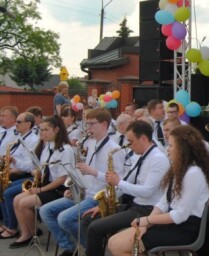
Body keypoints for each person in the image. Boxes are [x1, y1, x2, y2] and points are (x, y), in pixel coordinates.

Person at [107, 126, 209, 255]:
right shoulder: (180, 169)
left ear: (183, 149)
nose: (167, 149)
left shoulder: (194, 173)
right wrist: (145, 224)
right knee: (112, 242)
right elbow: (163, 202)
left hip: (184, 229)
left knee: (118, 247)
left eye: (171, 146)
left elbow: (180, 216)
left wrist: (148, 220)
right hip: (171, 224)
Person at [39, 108, 124, 256]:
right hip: (84, 193)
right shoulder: (90, 144)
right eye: (87, 124)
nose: (88, 128)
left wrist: (92, 171)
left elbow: (119, 183)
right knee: (45, 211)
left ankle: (93, 250)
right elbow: (82, 172)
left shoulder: (114, 149)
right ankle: (71, 247)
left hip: (99, 198)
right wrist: (73, 187)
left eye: (92, 124)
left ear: (104, 125)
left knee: (64, 219)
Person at [81, 120, 170, 256]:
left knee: (95, 228)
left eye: (131, 141)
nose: (129, 145)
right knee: (88, 219)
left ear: (143, 139)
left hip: (147, 210)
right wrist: (104, 203)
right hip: (134, 205)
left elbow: (147, 192)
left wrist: (118, 182)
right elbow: (126, 182)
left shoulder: (158, 159)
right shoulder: (139, 156)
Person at [10, 116, 75, 248]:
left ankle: (33, 233)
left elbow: (62, 178)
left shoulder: (65, 149)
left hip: (59, 189)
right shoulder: (48, 146)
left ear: (56, 130)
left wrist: (40, 190)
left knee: (23, 203)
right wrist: (37, 172)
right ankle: (26, 234)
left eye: (46, 130)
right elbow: (44, 168)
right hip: (47, 185)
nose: (42, 133)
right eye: (41, 130)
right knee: (16, 200)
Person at [0, 112, 39, 240]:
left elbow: (30, 166)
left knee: (7, 191)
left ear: (28, 124)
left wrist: (14, 163)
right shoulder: (22, 138)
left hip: (27, 174)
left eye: (19, 122)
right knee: (4, 189)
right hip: (17, 171)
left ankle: (11, 226)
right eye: (16, 122)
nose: (16, 124)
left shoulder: (32, 140)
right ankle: (7, 223)